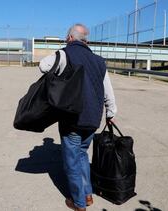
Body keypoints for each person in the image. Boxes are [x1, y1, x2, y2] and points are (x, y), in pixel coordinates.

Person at [39, 23, 117, 211]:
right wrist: (111, 112)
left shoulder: (65, 53)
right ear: (86, 41)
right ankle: (88, 195)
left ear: (70, 38)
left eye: (67, 37)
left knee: (72, 162)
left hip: (72, 118)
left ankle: (79, 203)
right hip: (92, 119)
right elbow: (108, 90)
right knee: (82, 155)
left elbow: (43, 66)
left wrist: (61, 52)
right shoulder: (99, 60)